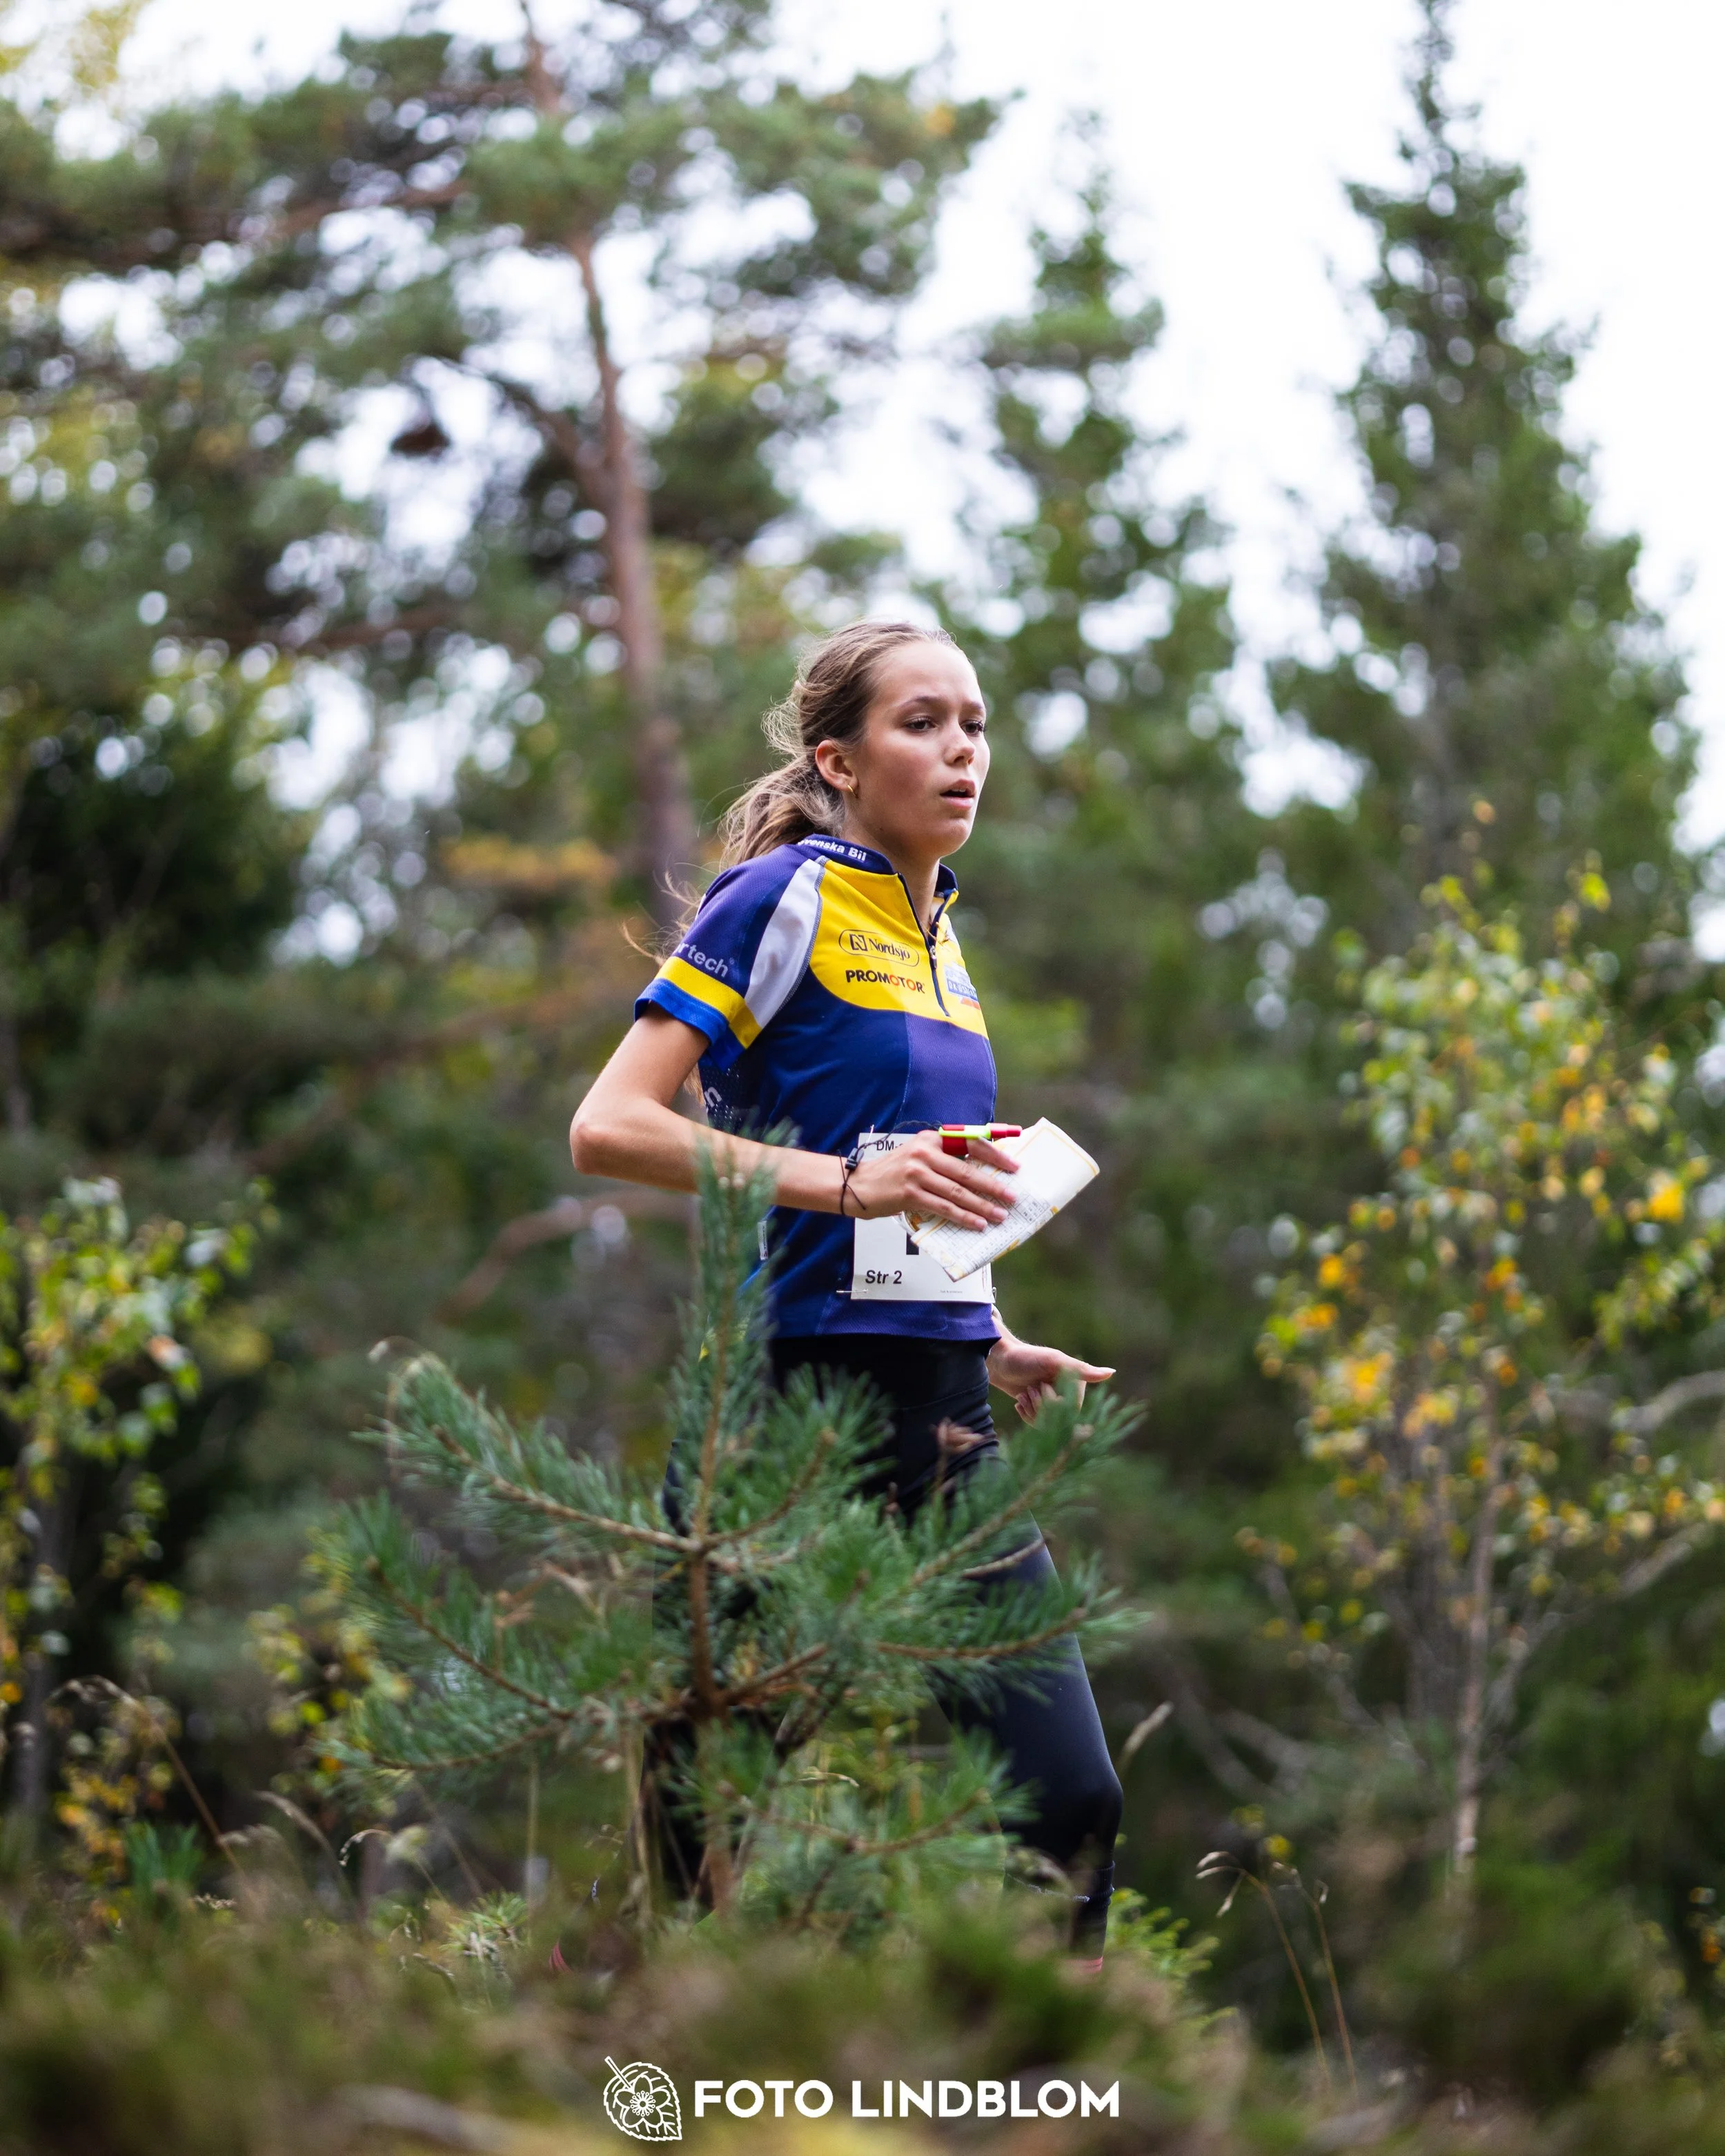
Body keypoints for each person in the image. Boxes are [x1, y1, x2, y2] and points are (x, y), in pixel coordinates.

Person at [570, 618, 1122, 1959]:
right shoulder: (783, 897)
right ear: (836, 755)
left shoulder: (941, 935)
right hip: (784, 1404)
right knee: (705, 1812)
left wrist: (984, 1329)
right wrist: (843, 1184)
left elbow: (907, 1168)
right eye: (920, 721)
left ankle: (1027, 2102)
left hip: (940, 1414)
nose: (959, 750)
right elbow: (608, 1127)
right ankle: (676, 2078)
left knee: (1067, 1795)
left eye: (974, 723)